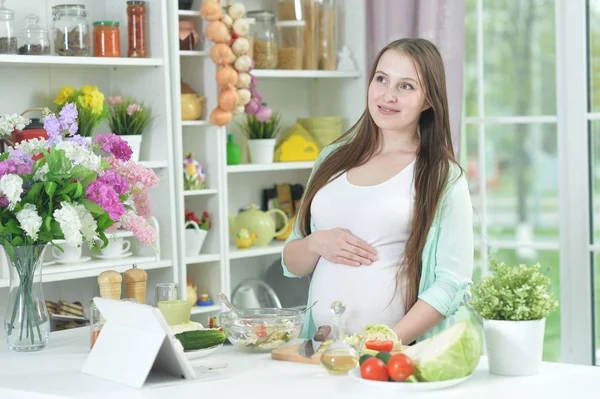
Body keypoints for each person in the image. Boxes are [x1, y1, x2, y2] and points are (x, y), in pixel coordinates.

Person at [281, 38, 474, 345]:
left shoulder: (443, 177)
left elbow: (452, 283)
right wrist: (317, 243)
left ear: (428, 100)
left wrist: (384, 345)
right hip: (319, 351)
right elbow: (291, 260)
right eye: (382, 79)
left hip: (389, 358)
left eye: (406, 86)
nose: (388, 95)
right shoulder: (331, 158)